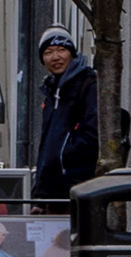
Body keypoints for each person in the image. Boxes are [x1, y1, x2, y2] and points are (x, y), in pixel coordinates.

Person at [30, 31, 102, 205]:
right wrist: (39, 197)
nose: (55, 57)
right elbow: (46, 148)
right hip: (53, 193)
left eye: (61, 50)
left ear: (72, 53)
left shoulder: (88, 86)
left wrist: (66, 159)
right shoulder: (51, 92)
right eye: (48, 53)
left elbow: (93, 135)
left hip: (80, 189)